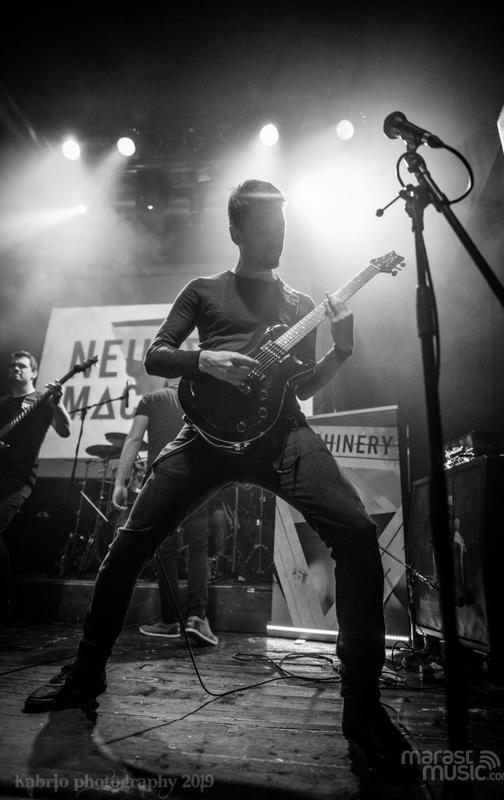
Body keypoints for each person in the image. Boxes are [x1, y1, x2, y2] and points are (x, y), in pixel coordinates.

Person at [24, 180, 414, 777]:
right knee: (128, 547)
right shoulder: (204, 291)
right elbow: (157, 355)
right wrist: (205, 359)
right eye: (267, 226)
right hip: (203, 437)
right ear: (236, 231)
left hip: (281, 435)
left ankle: (362, 709)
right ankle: (85, 672)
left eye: (283, 225)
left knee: (358, 533)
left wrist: (341, 349)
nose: (279, 235)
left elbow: (302, 384)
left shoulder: (299, 303)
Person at [110, 385, 218, 645]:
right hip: (199, 479)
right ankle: (197, 618)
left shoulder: (152, 399)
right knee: (198, 548)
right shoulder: (206, 395)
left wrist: (120, 482)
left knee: (165, 549)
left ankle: (169, 621)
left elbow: (134, 439)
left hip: (163, 480)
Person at [0, 350, 71, 623]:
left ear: (34, 373)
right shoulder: (3, 404)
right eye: (12, 365)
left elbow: (64, 430)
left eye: (21, 365)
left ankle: (4, 602)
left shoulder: (42, 402)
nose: (15, 369)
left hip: (18, 478)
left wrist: (57, 403)